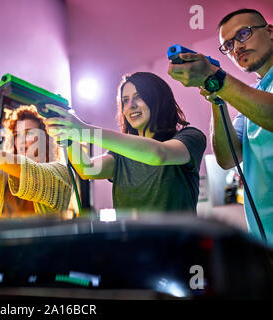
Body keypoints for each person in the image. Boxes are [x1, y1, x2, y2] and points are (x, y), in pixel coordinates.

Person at [167, 8, 273, 243]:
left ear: (270, 31)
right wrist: (216, 96)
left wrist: (218, 78)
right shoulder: (250, 102)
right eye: (228, 45)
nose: (237, 48)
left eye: (244, 34)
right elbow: (227, 158)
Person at [45, 72, 206, 213]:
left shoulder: (190, 137)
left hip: (178, 247)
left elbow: (158, 154)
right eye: (125, 100)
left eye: (138, 97)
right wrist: (68, 133)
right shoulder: (121, 153)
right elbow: (88, 169)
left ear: (158, 99)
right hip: (130, 246)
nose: (131, 106)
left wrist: (84, 130)